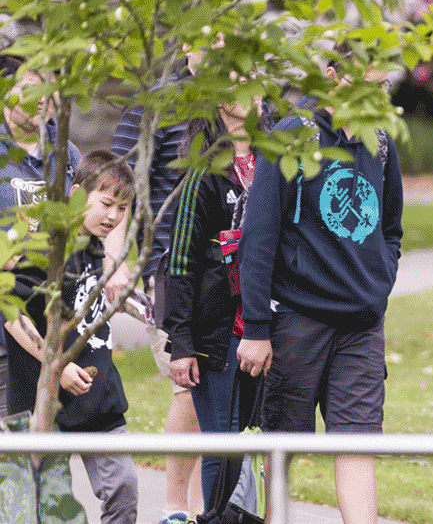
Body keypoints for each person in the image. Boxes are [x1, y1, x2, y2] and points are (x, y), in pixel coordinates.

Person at [236, 54, 402, 524]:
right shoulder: (292, 135)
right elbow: (259, 237)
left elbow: (391, 226)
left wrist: (379, 280)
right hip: (297, 319)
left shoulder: (382, 142)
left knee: (358, 441)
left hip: (362, 324)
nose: (378, 98)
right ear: (333, 77)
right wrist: (257, 327)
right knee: (283, 444)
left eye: (383, 88)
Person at [5, 150, 139, 524]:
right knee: (46, 509)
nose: (113, 216)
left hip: (100, 398)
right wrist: (57, 366)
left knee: (125, 491)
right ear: (78, 193)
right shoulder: (43, 248)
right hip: (44, 397)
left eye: (122, 208)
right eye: (107, 203)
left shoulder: (102, 246)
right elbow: (12, 315)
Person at [110, 49, 205, 524]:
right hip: (172, 271)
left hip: (237, 276)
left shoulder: (253, 105)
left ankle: (217, 506)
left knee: (226, 394)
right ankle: (176, 509)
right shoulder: (157, 102)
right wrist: (115, 256)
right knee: (188, 386)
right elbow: (118, 181)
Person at [163, 96, 264, 509]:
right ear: (221, 99)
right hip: (216, 326)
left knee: (256, 444)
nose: (254, 92)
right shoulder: (201, 171)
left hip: (264, 326)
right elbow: (181, 260)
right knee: (221, 443)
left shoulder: (274, 164)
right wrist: (181, 343)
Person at [0, 55, 83, 415]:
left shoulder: (68, 154)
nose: (41, 99)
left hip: (52, 319)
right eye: (29, 88)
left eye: (47, 90)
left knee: (47, 450)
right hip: (7, 321)